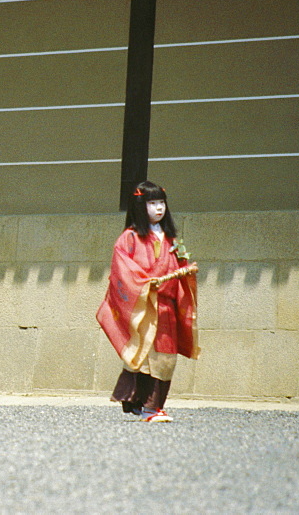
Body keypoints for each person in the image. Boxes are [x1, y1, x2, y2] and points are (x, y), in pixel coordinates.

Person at [97, 181, 199, 422]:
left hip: (166, 305)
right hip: (143, 304)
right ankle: (148, 406)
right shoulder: (129, 238)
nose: (158, 208)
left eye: (161, 203)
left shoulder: (171, 238)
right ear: (140, 206)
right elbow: (123, 269)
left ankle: (148, 403)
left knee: (165, 356)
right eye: (152, 203)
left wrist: (184, 272)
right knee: (143, 354)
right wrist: (145, 283)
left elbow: (179, 266)